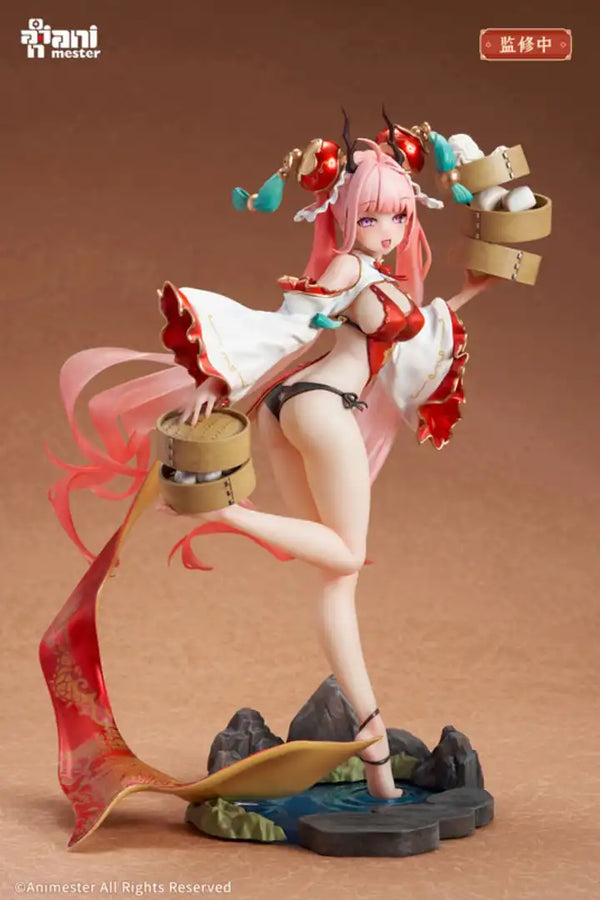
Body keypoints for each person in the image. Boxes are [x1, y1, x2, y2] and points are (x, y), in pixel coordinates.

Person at [44, 118, 495, 814]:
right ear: (343, 215)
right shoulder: (348, 268)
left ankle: (375, 758)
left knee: (335, 581)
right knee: (347, 553)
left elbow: (413, 334)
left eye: (399, 216)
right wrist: (215, 378)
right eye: (371, 216)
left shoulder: (376, 275)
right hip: (318, 407)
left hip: (299, 409)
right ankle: (225, 510)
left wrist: (472, 290)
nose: (387, 230)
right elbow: (289, 325)